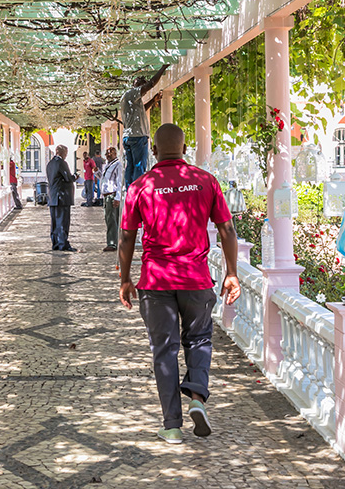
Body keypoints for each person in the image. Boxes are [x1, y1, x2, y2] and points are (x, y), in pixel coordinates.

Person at [118, 124, 241, 444]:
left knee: (164, 349)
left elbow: (127, 236)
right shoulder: (206, 181)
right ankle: (198, 398)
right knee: (199, 340)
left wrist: (125, 278)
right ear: (185, 149)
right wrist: (231, 272)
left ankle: (172, 425)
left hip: (156, 281)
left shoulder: (140, 186)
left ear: (153, 151)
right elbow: (227, 230)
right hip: (196, 280)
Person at [121, 64, 169, 188]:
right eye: (140, 82)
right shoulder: (132, 93)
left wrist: (153, 100)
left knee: (130, 166)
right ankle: (138, 190)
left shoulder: (129, 97)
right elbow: (151, 84)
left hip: (129, 136)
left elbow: (142, 109)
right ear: (135, 84)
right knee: (139, 167)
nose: (143, 84)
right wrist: (163, 67)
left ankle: (130, 190)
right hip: (137, 136)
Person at [46, 145, 79, 252]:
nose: (66, 155)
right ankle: (63, 244)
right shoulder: (61, 163)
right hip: (62, 197)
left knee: (55, 222)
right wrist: (75, 176)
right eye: (65, 153)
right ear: (61, 153)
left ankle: (55, 243)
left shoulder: (50, 164)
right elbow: (68, 178)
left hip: (52, 197)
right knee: (62, 221)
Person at [99, 146, 122, 252]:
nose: (108, 155)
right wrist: (97, 173)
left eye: (110, 153)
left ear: (115, 154)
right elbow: (105, 180)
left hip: (112, 195)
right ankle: (112, 241)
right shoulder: (107, 165)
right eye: (107, 153)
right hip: (106, 196)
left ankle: (112, 243)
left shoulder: (118, 165)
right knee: (108, 220)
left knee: (112, 220)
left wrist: (117, 197)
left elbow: (119, 181)